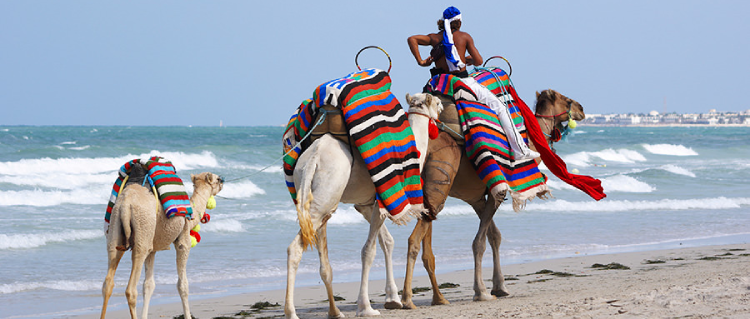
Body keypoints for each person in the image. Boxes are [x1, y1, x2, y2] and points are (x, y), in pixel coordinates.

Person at [407, 6, 540, 161]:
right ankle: (519, 150)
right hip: (462, 80)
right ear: (459, 22)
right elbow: (479, 61)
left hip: (439, 82)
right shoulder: (464, 37)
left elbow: (412, 39)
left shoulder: (434, 38)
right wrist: (467, 59)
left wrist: (421, 61)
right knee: (500, 107)